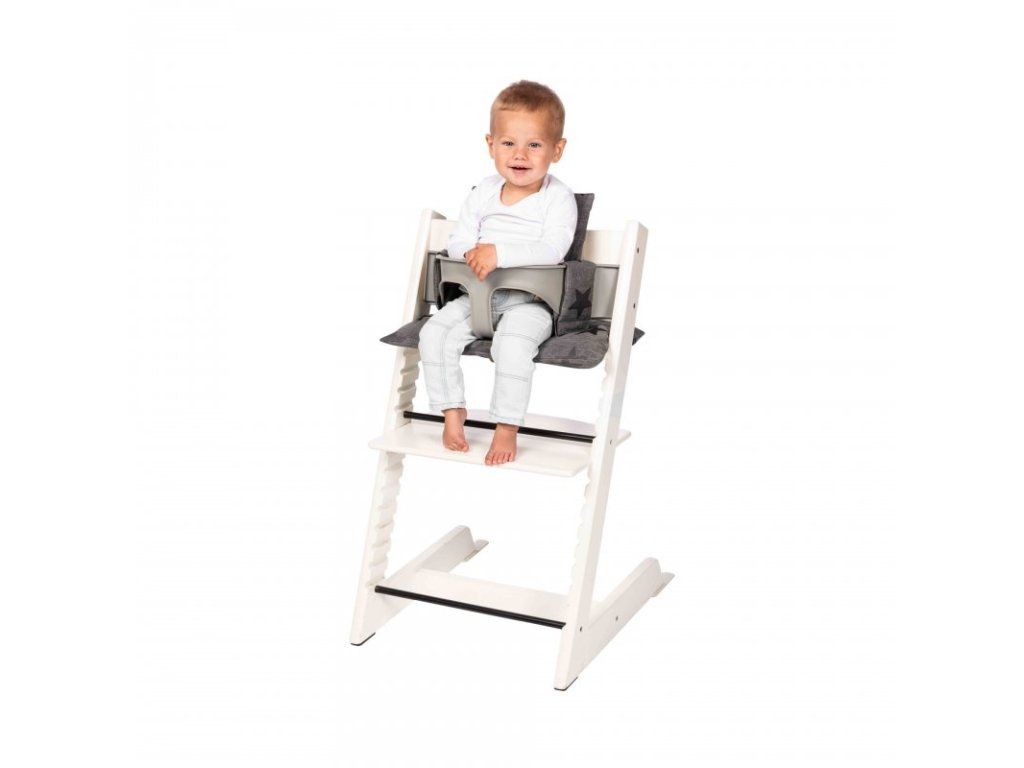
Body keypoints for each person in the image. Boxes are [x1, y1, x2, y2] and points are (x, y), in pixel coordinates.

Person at [418, 80, 578, 465]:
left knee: (512, 347)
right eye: (508, 143)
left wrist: (500, 253)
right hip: (476, 296)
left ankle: (506, 426)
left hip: (530, 302)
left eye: (534, 145)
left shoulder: (557, 198)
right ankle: (452, 409)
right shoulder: (483, 193)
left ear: (556, 150)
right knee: (433, 333)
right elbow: (458, 240)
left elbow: (554, 249)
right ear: (491, 145)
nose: (519, 154)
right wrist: (471, 252)